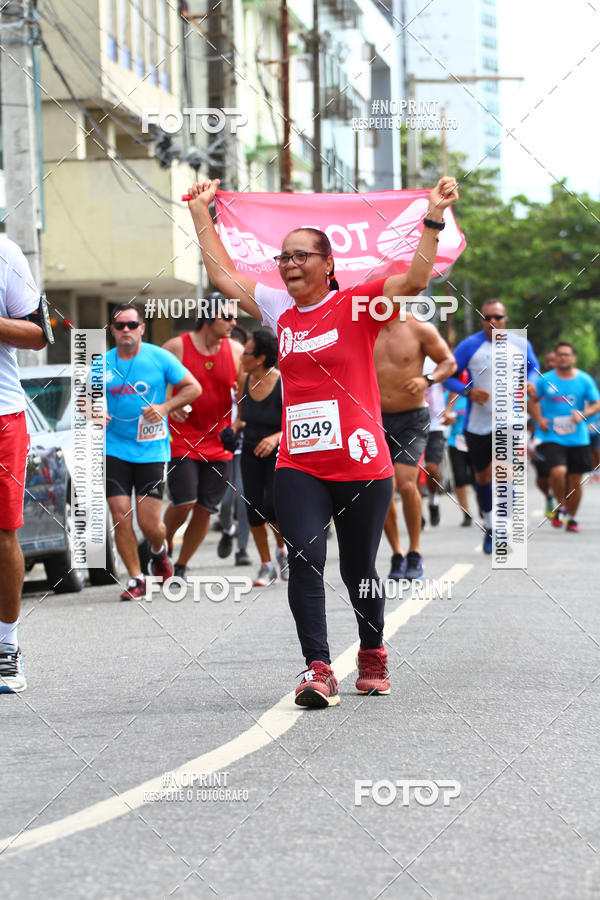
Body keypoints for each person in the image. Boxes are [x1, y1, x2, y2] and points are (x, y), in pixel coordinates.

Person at [185, 174, 459, 708]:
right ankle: (318, 669)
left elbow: (415, 281)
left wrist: (432, 216)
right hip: (301, 462)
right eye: (283, 257)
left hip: (361, 462)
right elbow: (223, 276)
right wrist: (201, 212)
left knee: (359, 570)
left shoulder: (359, 303)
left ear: (328, 263)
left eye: (300, 256)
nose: (288, 264)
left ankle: (373, 652)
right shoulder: (276, 308)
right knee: (306, 557)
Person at [103, 303, 201, 600]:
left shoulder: (159, 357)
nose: (126, 330)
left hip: (151, 449)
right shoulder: (101, 364)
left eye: (132, 325)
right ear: (112, 330)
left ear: (142, 328)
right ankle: (136, 578)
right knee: (120, 515)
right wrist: (95, 410)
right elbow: (84, 398)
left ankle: (159, 552)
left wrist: (165, 407)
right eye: (120, 326)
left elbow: (193, 387)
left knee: (149, 524)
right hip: (114, 447)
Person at [444, 300, 539, 553]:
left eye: (497, 316)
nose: (492, 321)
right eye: (487, 317)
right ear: (481, 320)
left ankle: (503, 529)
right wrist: (469, 392)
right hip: (477, 424)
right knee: (483, 477)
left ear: (505, 319)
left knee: (506, 473)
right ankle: (490, 525)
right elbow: (448, 377)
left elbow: (534, 368)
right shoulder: (469, 345)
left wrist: (530, 382)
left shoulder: (520, 343)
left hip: (510, 420)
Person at [162, 295, 244, 581]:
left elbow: (246, 395)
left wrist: (238, 424)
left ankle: (181, 566)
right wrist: (171, 406)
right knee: (184, 501)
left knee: (206, 508)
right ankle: (162, 545)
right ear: (208, 318)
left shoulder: (236, 351)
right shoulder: (176, 347)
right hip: (182, 437)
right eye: (227, 317)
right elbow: (156, 388)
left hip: (219, 441)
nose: (233, 323)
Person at [0, 236, 48, 693]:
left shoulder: (5, 253)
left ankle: (6, 647)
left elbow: (38, 334)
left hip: (2, 415)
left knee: (2, 533)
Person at [374, 316, 456, 581]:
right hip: (374, 418)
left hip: (412, 418)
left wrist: (427, 379)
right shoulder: (363, 328)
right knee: (383, 489)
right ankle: (397, 553)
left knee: (407, 484)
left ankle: (415, 551)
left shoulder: (420, 328)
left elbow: (449, 362)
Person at [528, 341, 600, 532]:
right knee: (558, 472)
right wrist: (539, 419)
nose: (563, 358)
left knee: (575, 479)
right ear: (556, 357)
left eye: (567, 354)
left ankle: (572, 517)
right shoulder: (545, 380)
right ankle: (560, 505)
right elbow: (530, 401)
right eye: (560, 354)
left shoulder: (584, 380)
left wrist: (583, 414)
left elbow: (596, 403)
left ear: (573, 358)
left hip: (578, 437)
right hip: (551, 435)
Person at [238, 326, 287, 586]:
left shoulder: (282, 382)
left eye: (246, 353)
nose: (241, 357)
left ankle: (283, 550)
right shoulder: (243, 379)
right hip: (250, 450)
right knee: (254, 508)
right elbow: (240, 416)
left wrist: (275, 437)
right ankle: (266, 565)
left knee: (273, 506)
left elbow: (293, 420)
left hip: (277, 451)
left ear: (260, 358)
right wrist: (231, 430)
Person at [217, 323, 251, 565]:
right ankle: (228, 530)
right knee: (224, 503)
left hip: (241, 447)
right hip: (218, 446)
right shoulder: (218, 378)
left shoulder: (252, 381)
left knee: (242, 499)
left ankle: (242, 550)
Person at [442, 385, 476, 526]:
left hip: (475, 440)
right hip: (455, 441)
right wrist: (447, 419)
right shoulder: (448, 397)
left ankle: (483, 505)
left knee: (477, 477)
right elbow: (441, 419)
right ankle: (466, 513)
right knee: (460, 478)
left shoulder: (475, 394)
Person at [422, 356, 449, 527]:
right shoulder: (401, 355)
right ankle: (416, 512)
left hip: (435, 425)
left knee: (432, 469)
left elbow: (455, 381)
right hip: (410, 424)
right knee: (409, 473)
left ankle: (433, 500)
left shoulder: (436, 359)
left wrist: (449, 409)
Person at [531, 349, 558, 518]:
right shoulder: (539, 383)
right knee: (543, 476)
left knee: (561, 472)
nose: (551, 364)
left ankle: (563, 506)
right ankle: (549, 496)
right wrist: (538, 420)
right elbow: (526, 404)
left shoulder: (572, 380)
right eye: (548, 361)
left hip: (567, 437)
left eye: (554, 360)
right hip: (542, 436)